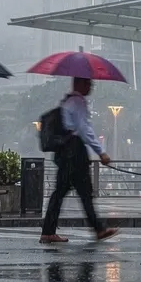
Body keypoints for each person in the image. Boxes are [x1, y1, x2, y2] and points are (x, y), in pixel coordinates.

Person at [42, 77, 119, 244]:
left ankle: (48, 232)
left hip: (65, 152)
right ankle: (98, 229)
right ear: (79, 84)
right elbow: (84, 129)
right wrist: (101, 152)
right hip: (75, 151)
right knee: (84, 193)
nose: (91, 86)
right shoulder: (78, 102)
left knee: (61, 193)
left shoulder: (68, 101)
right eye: (88, 83)